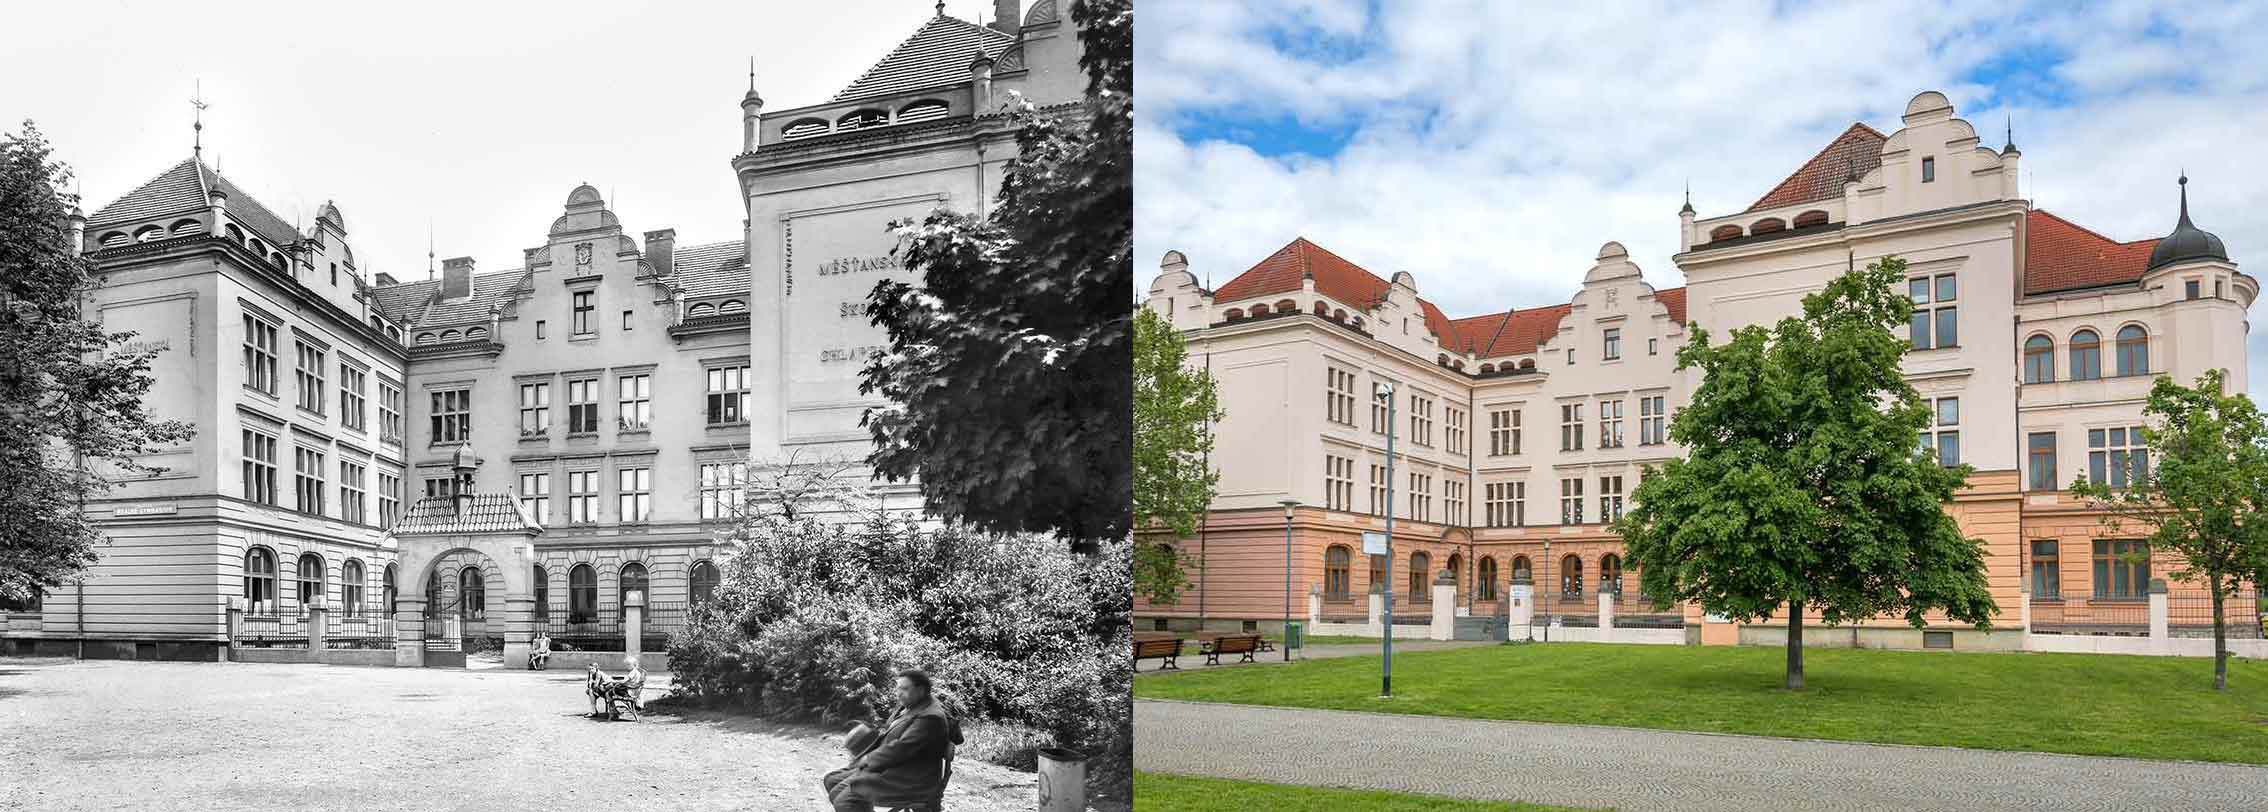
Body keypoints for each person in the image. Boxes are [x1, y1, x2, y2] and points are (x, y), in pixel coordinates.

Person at [822, 669, 962, 812]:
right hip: (894, 767)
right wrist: (866, 738)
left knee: (844, 801)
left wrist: (867, 760)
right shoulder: (909, 704)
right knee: (831, 780)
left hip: (911, 778)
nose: (898, 693)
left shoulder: (931, 717)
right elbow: (889, 729)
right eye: (898, 688)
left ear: (921, 690)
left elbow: (901, 749)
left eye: (904, 688)